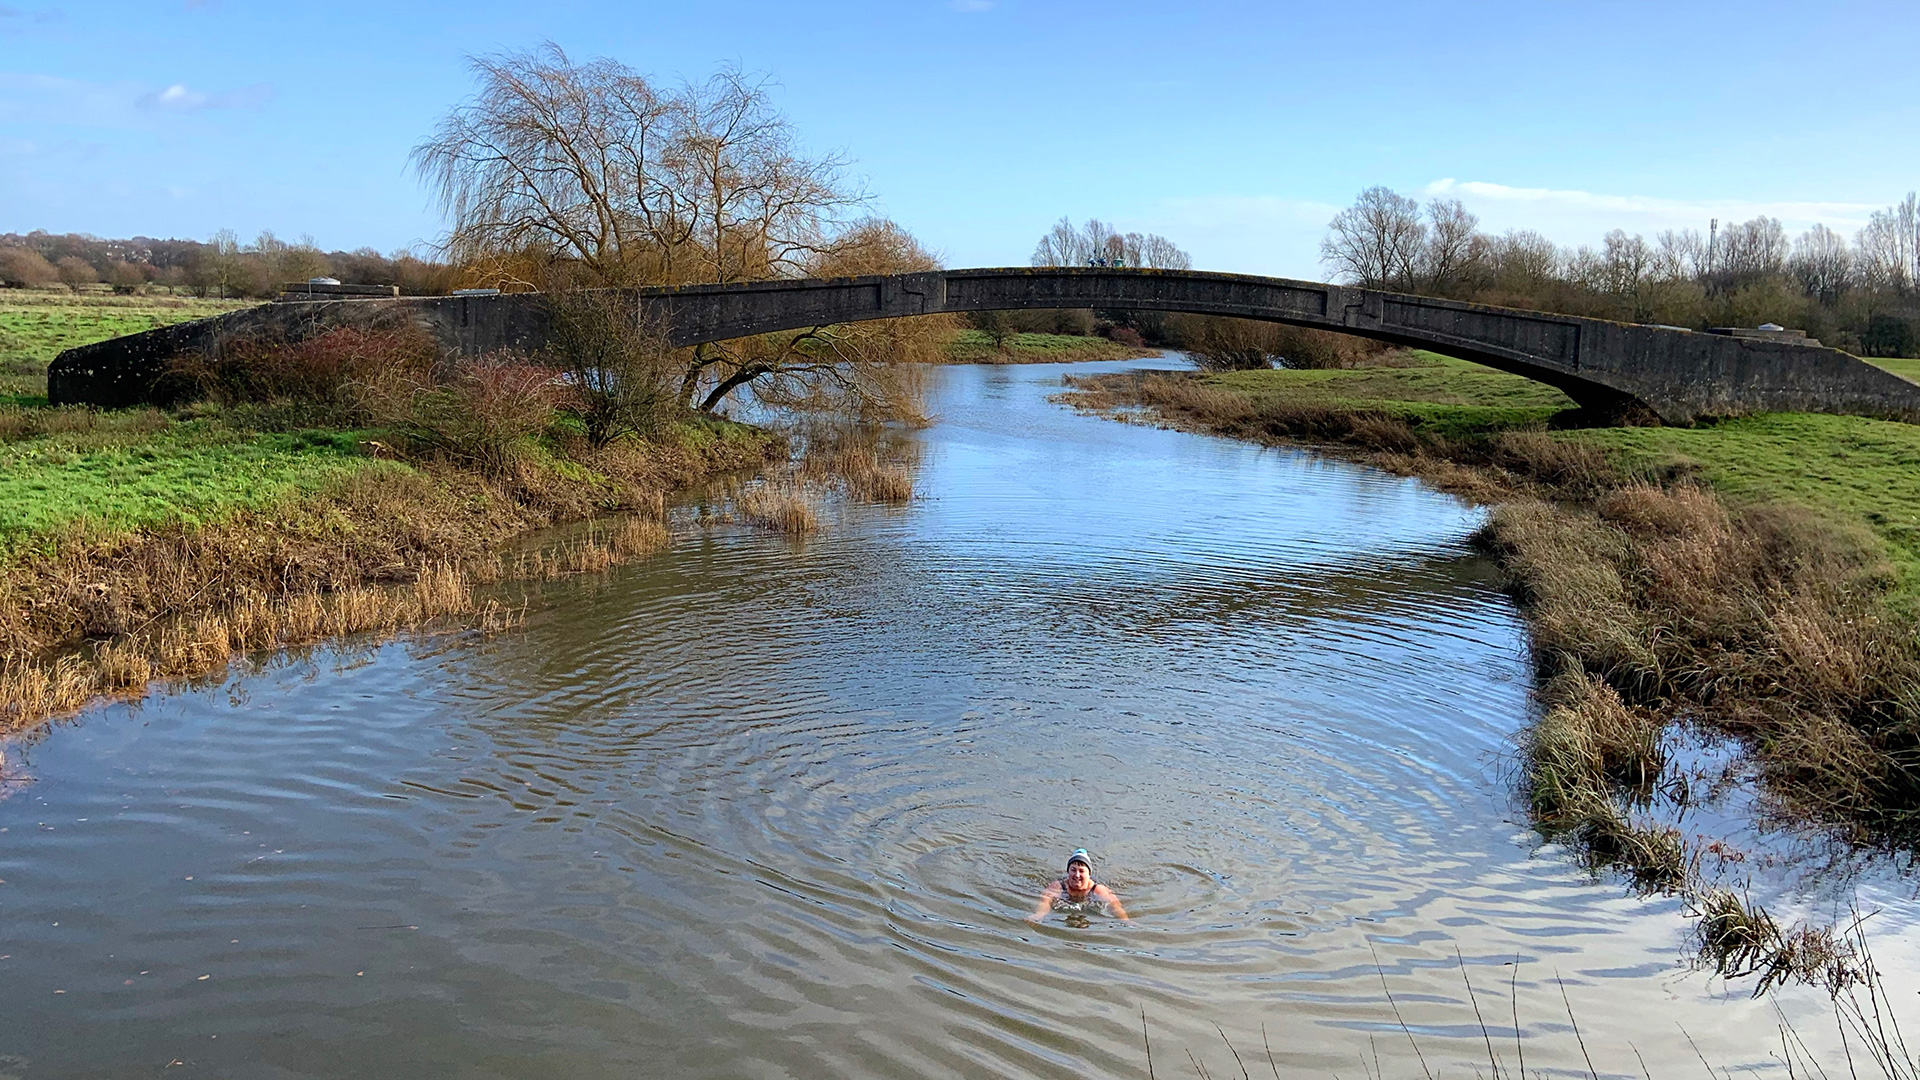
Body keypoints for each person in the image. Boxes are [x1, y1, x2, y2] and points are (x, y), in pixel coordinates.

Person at [1028, 848, 1130, 922]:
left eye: (1081, 871)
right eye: (1073, 870)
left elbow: (1116, 907)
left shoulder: (1098, 890)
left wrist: (1126, 920)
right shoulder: (1058, 886)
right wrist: (1039, 915)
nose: (1077, 875)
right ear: (1068, 871)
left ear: (1089, 874)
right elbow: (1045, 902)